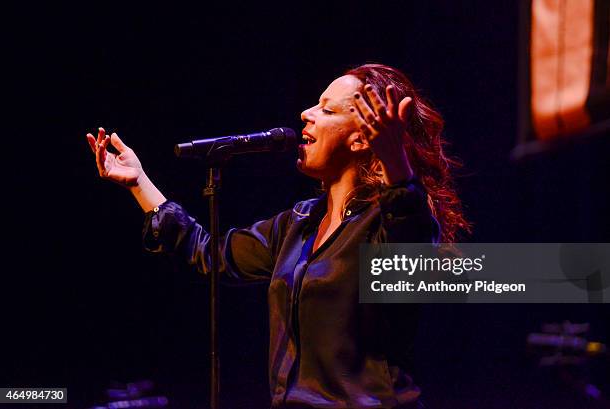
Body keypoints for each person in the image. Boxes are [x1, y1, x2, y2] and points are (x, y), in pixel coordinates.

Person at [86, 64, 469, 408]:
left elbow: (412, 236)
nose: (306, 113)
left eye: (327, 109)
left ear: (361, 140)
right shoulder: (298, 223)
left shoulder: (387, 227)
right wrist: (139, 183)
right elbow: (212, 253)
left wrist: (394, 161)